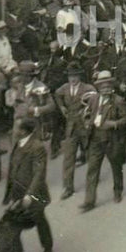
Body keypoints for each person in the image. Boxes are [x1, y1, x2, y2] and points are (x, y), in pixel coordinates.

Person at [3, 117, 53, 252]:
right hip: (17, 191)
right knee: (13, 223)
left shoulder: (37, 146)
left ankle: (47, 247)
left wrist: (30, 195)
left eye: (16, 128)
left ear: (24, 131)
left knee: (39, 220)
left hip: (33, 193)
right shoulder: (17, 142)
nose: (13, 130)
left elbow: (39, 173)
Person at [79, 71, 126, 212]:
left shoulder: (118, 100)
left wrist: (114, 124)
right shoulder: (94, 99)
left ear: (112, 86)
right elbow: (87, 113)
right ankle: (89, 201)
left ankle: (117, 191)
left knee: (116, 167)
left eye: (108, 86)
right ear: (98, 87)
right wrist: (87, 120)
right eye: (103, 86)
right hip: (95, 138)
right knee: (92, 169)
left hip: (111, 139)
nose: (106, 89)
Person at [55, 63, 96, 199]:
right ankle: (68, 188)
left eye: (75, 76)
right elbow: (56, 94)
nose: (73, 79)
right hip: (71, 128)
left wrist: (89, 112)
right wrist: (61, 107)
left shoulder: (88, 88)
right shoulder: (64, 89)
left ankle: (93, 181)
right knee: (68, 158)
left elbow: (96, 100)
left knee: (91, 155)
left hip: (85, 126)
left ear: (79, 76)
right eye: (70, 76)